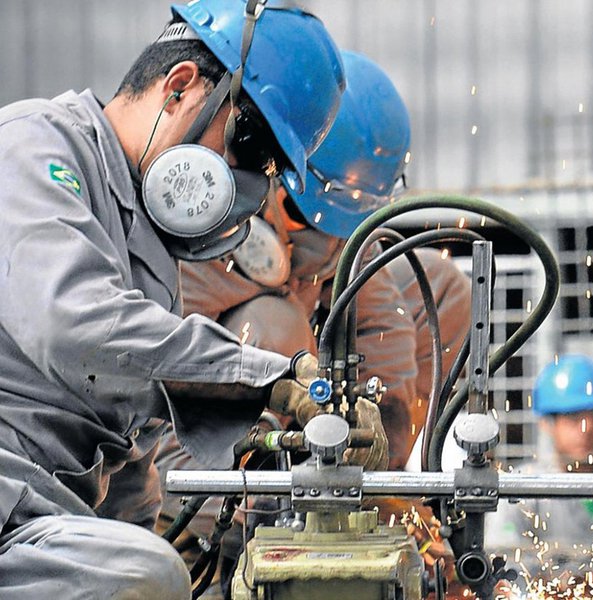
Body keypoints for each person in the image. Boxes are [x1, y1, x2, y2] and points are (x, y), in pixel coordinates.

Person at [0, 2, 386, 597]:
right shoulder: (33, 146)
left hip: (38, 528)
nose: (247, 180)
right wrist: (272, 379)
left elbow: (129, 470)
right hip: (11, 504)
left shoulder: (151, 263)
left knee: (154, 567)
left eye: (266, 168)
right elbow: (73, 327)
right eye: (249, 143)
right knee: (148, 576)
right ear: (180, 87)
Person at [153, 50, 471, 595]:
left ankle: (344, 498)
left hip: (309, 399)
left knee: (439, 285)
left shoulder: (346, 224)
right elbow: (162, 368)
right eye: (311, 215)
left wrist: (382, 463)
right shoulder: (212, 212)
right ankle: (217, 538)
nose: (330, 235)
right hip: (202, 439)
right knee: (274, 325)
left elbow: (383, 331)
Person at [489, 355, 593, 584]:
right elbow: (504, 567)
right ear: (547, 422)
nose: (587, 428)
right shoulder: (521, 490)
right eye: (574, 417)